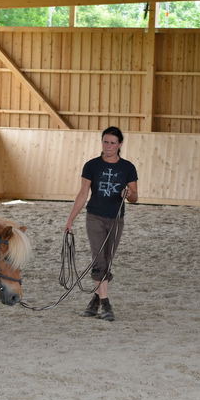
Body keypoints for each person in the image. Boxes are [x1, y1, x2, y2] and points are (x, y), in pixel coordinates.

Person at [65, 126, 138, 321]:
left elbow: (135, 197)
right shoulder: (92, 165)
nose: (108, 146)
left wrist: (128, 194)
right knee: (99, 259)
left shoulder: (128, 168)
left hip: (116, 219)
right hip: (94, 217)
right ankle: (106, 304)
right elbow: (83, 193)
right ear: (102, 142)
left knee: (107, 259)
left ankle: (94, 301)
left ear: (120, 144)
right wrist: (71, 218)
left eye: (113, 143)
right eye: (105, 142)